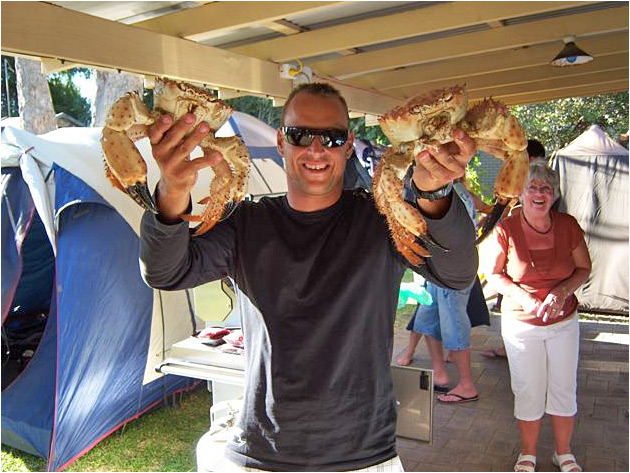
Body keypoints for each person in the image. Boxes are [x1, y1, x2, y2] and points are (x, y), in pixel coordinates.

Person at [139, 83, 478, 471]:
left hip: (364, 456)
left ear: (349, 145)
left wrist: (434, 193)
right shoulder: (246, 223)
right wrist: (171, 192)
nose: (317, 150)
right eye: (302, 136)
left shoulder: (382, 219)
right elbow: (166, 272)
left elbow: (456, 273)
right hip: (262, 454)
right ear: (282, 143)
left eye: (332, 138)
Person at [484, 160, 591, 472]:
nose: (540, 193)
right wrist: (527, 299)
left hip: (563, 323)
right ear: (520, 194)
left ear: (554, 194)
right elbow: (495, 275)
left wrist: (561, 293)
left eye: (547, 188)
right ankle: (528, 454)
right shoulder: (506, 229)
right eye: (533, 187)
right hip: (521, 324)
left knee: (563, 386)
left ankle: (563, 453)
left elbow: (584, 268)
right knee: (528, 387)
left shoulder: (568, 225)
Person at [396, 180, 484, 403]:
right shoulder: (450, 190)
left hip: (450, 271)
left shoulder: (450, 193)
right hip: (436, 270)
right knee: (427, 319)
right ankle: (441, 375)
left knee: (454, 323)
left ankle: (467, 384)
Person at [482, 138, 547, 359]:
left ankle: (521, 347)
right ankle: (512, 346)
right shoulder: (521, 176)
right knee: (512, 294)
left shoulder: (538, 179)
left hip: (527, 253)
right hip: (515, 250)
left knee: (523, 296)